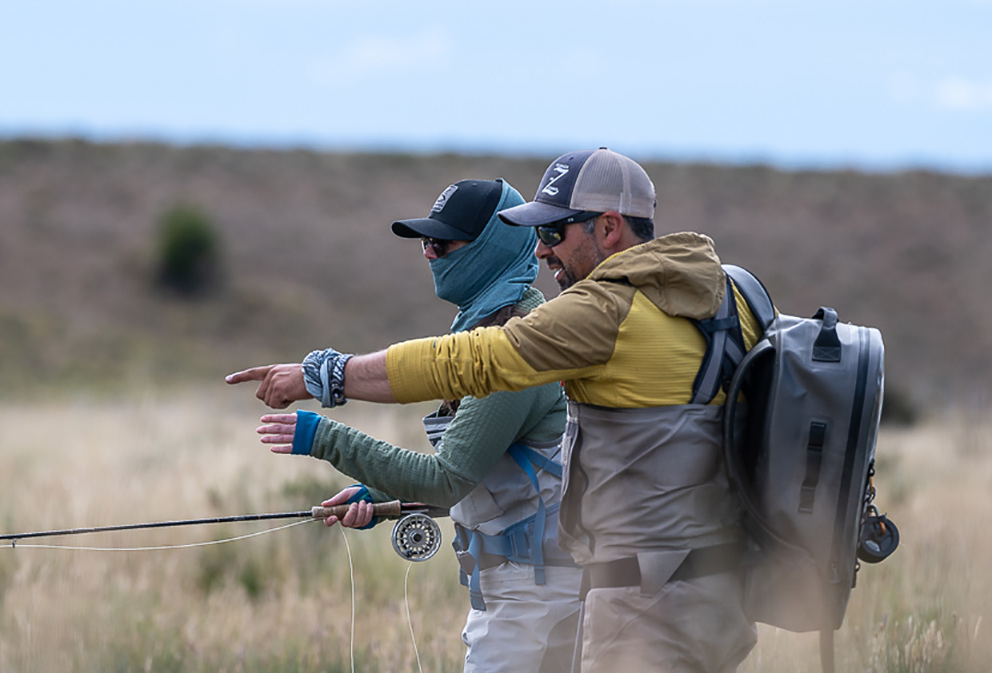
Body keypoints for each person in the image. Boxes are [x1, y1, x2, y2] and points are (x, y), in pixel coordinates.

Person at [228, 148, 763, 673]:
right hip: (716, 590)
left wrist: (328, 378)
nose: (543, 251)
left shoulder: (603, 310)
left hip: (638, 601)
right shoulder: (725, 296)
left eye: (554, 232)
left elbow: (469, 363)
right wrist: (387, 492)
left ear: (608, 227)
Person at [255, 178, 582, 673]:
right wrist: (383, 498)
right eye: (425, 243)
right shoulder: (488, 328)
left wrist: (322, 437)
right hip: (521, 595)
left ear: (492, 247)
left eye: (442, 243)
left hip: (537, 605)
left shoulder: (517, 347)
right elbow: (502, 475)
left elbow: (447, 478)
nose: (429, 255)